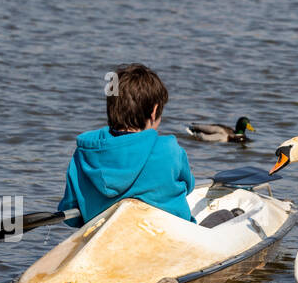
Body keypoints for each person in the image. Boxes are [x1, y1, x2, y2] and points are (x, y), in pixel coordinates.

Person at [57, 64, 195, 227]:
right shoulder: (169, 149)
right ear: (154, 111)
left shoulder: (85, 152)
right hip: (169, 235)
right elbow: (189, 185)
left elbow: (71, 214)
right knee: (223, 216)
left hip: (106, 237)